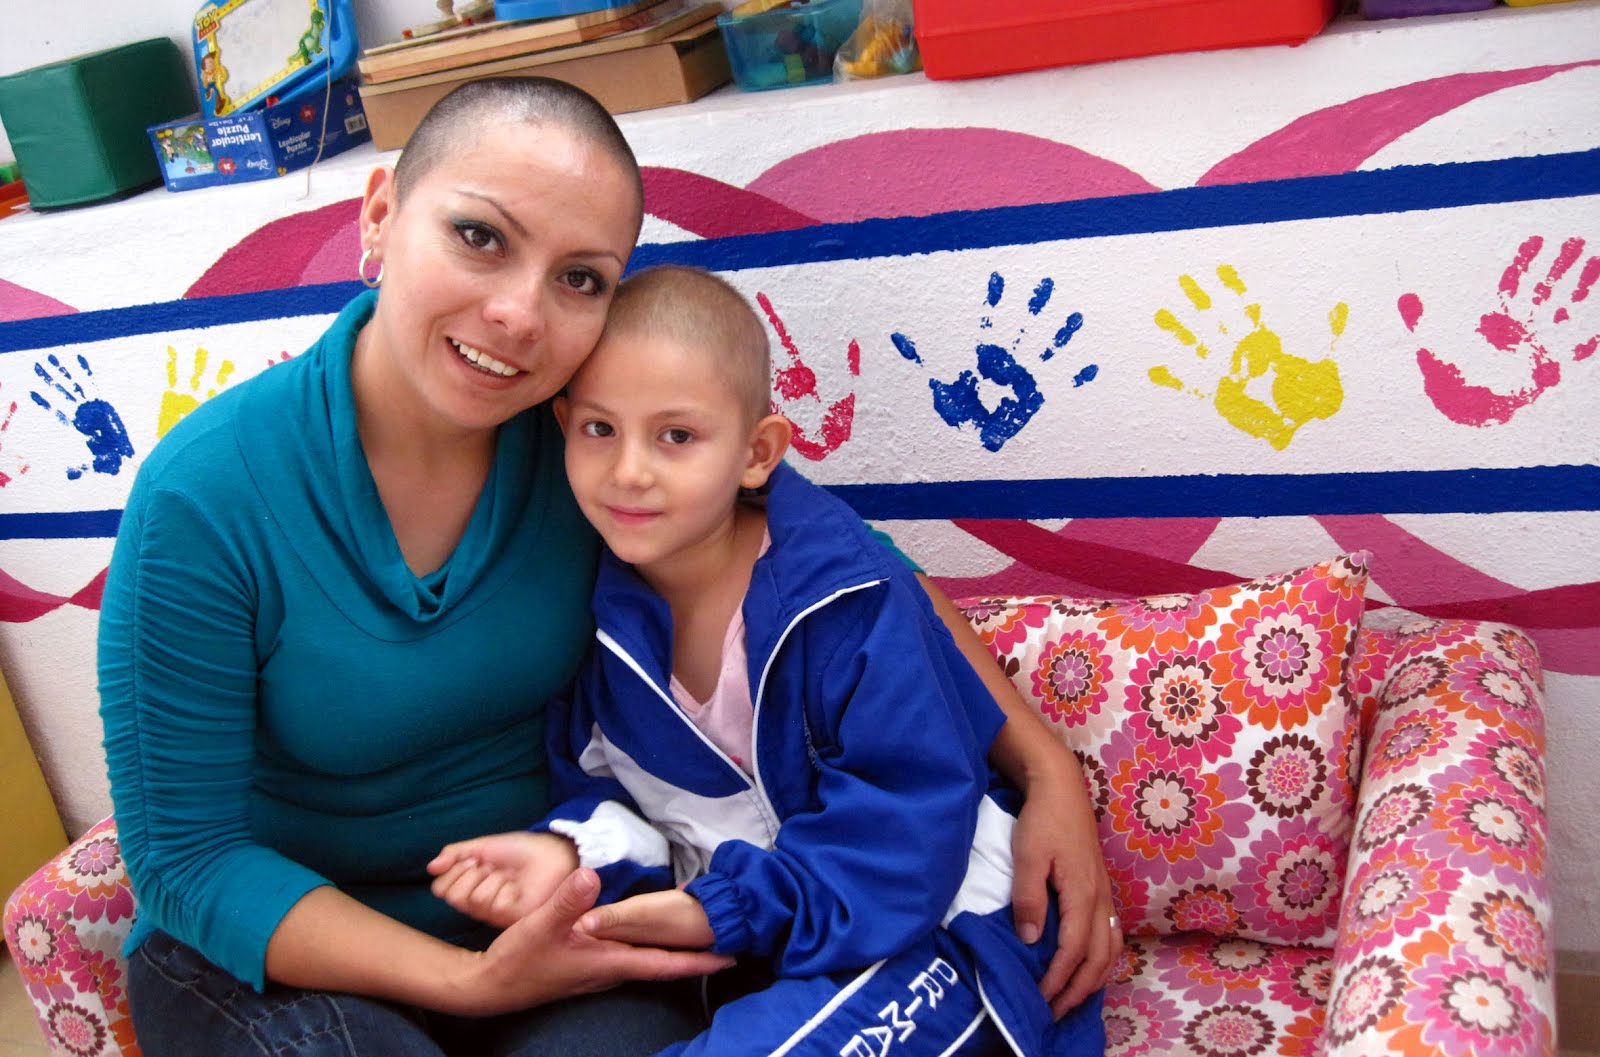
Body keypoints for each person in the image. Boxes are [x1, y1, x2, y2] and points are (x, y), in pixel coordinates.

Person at [96, 77, 1114, 1057]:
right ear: (380, 215)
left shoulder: (592, 444)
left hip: (558, 908)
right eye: (479, 236)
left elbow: (852, 571)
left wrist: (1044, 770)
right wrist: (467, 981)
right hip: (290, 955)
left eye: (579, 277)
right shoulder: (206, 495)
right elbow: (185, 860)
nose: (520, 314)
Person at [428, 266, 1108, 1056]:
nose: (629, 470)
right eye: (600, 429)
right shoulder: (602, 627)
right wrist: (569, 856)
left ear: (757, 452)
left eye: (676, 436)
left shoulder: (848, 601)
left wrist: (724, 910)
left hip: (947, 929)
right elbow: (613, 796)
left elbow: (908, 828)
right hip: (771, 960)